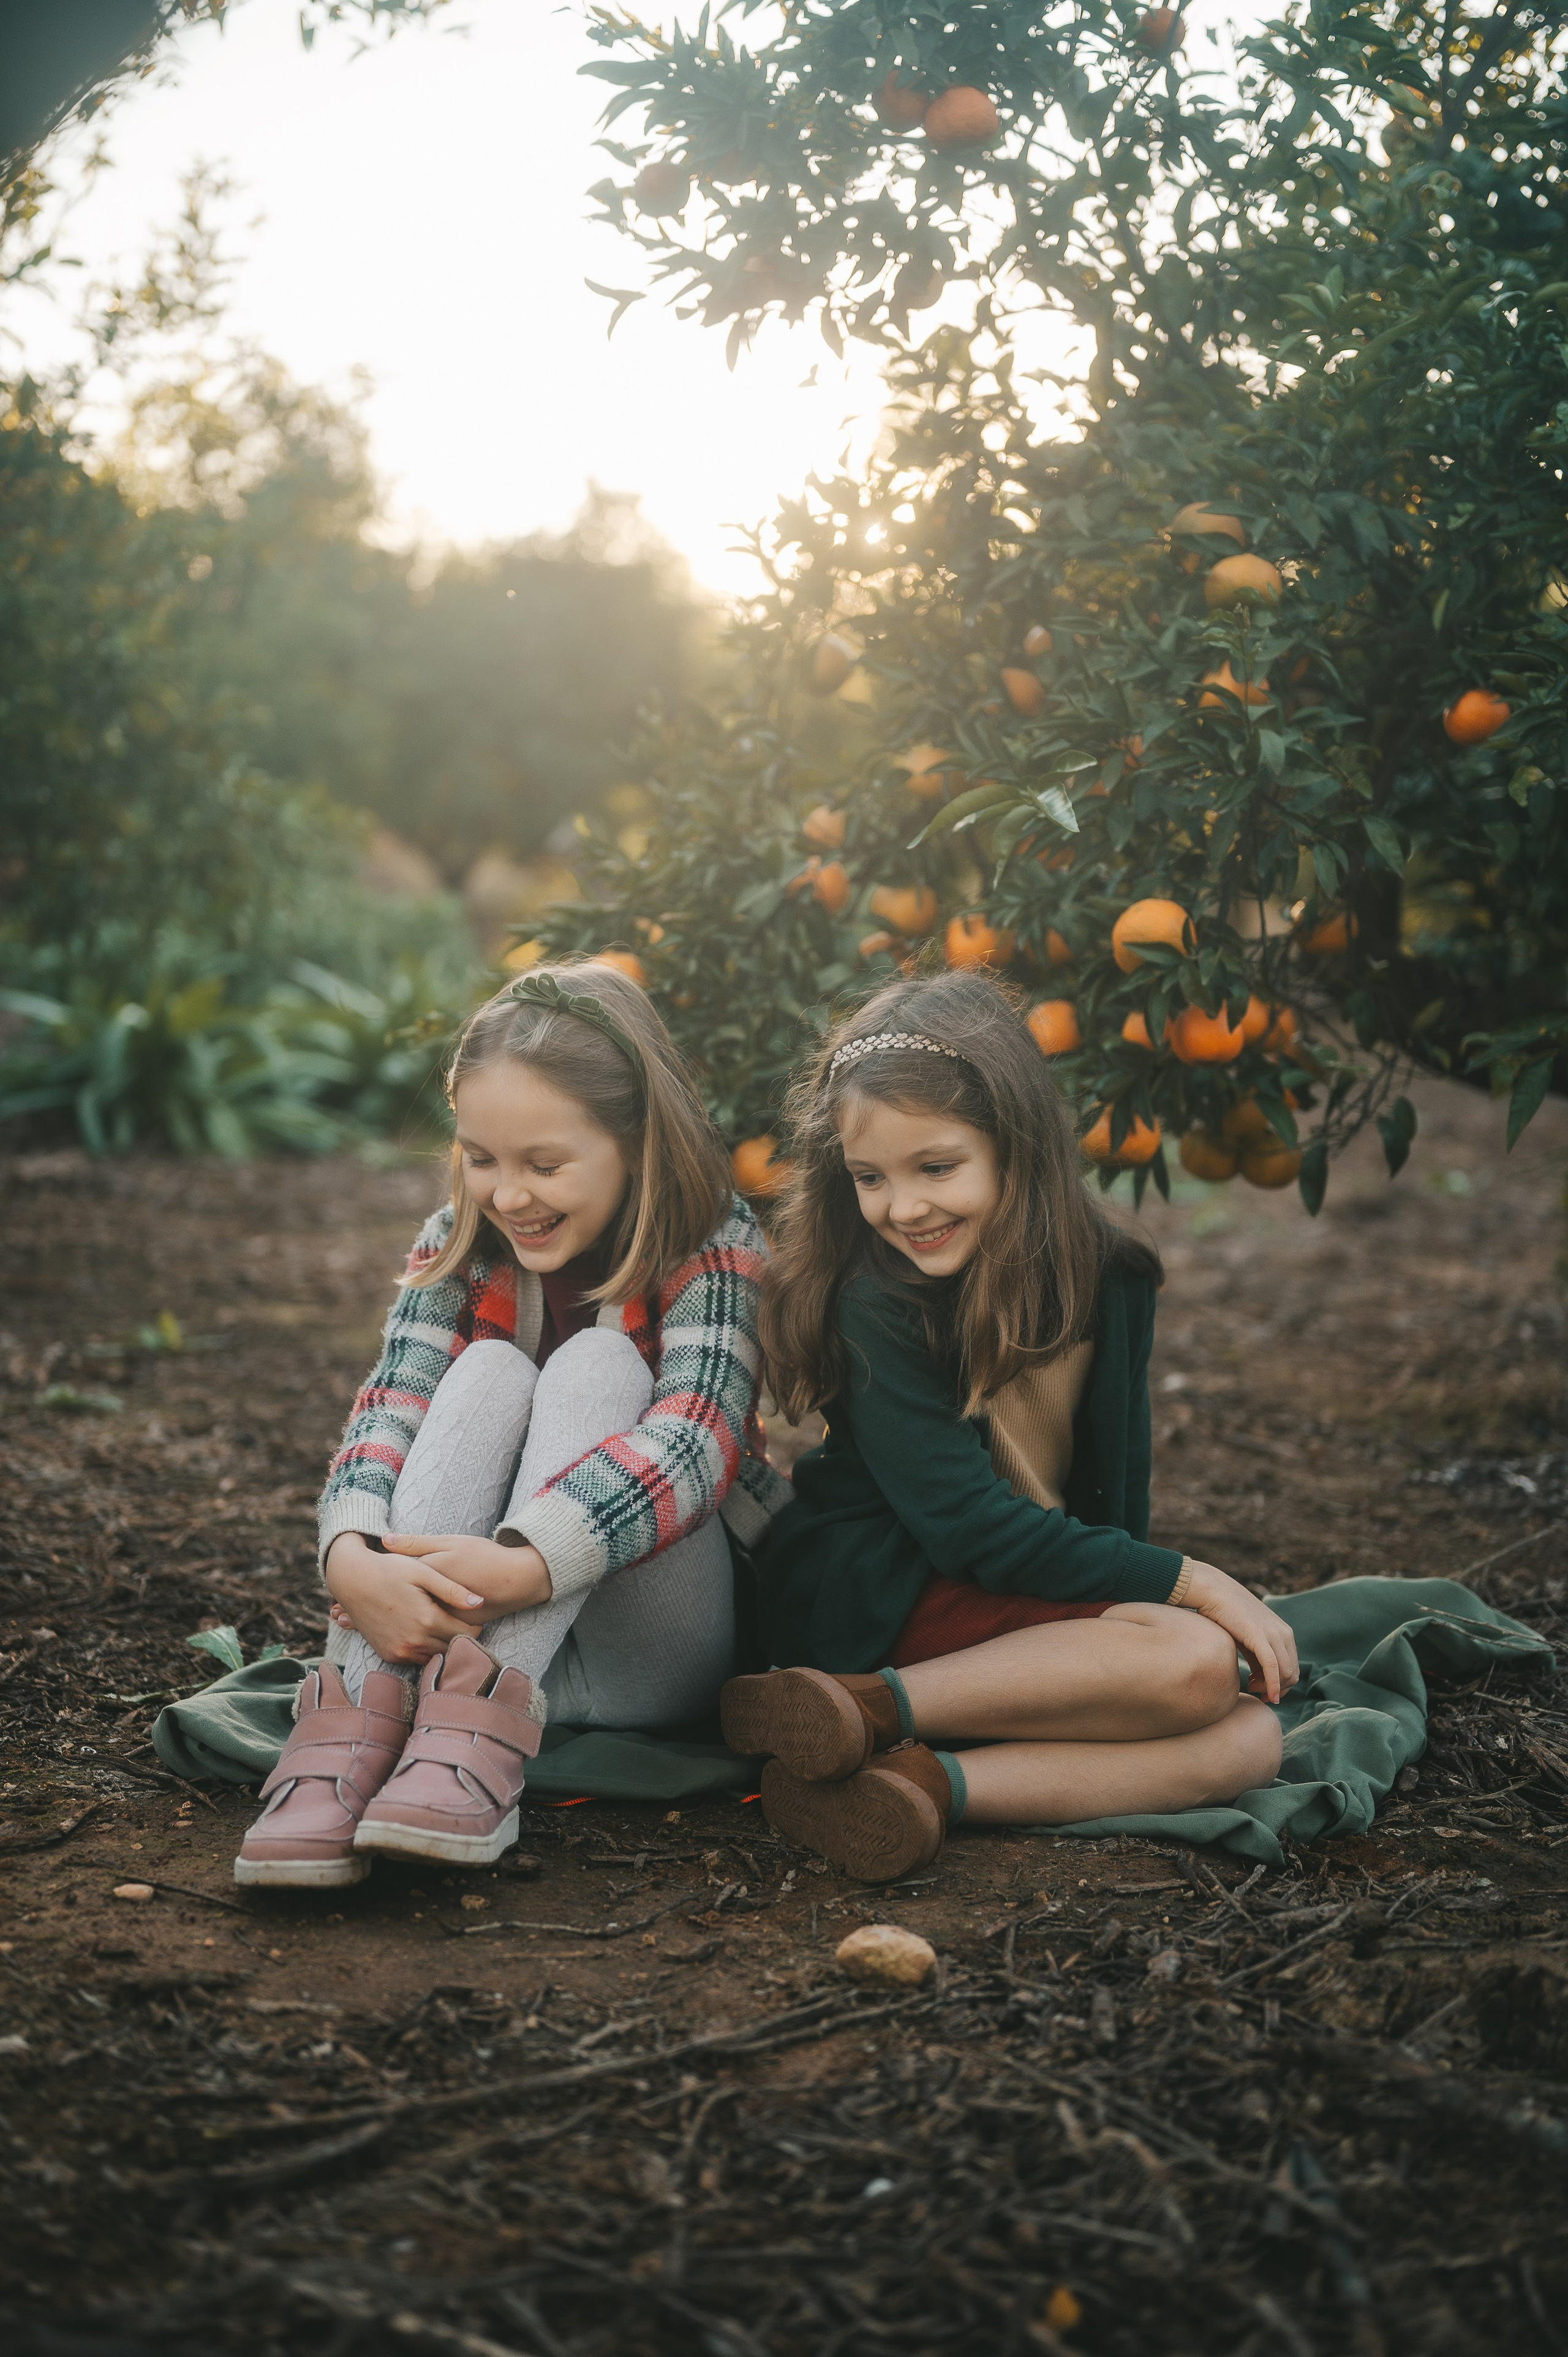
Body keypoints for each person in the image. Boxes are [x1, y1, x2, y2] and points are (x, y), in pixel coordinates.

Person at [721, 970, 1292, 1882]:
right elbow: (965, 1527)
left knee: (1253, 1741)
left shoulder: (1114, 1276)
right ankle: (854, 1706)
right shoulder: (877, 1298)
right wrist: (1192, 1587)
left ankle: (921, 1786)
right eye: (871, 1179)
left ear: (1015, 1145)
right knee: (1194, 1660)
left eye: (935, 1168)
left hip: (1004, 1594)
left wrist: (1120, 1623)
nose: (904, 1209)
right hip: (876, 1590)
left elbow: (1115, 1494)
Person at [235, 962, 787, 1887]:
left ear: (638, 1144)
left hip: (640, 1657)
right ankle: (359, 1719)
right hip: (447, 1643)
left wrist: (529, 1565)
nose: (509, 1195)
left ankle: (472, 1740)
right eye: (482, 1158)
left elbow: (695, 1443)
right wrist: (351, 1558)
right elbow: (388, 1407)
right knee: (487, 1367)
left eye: (545, 1164)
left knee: (600, 1362)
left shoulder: (714, 1245)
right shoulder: (459, 1242)